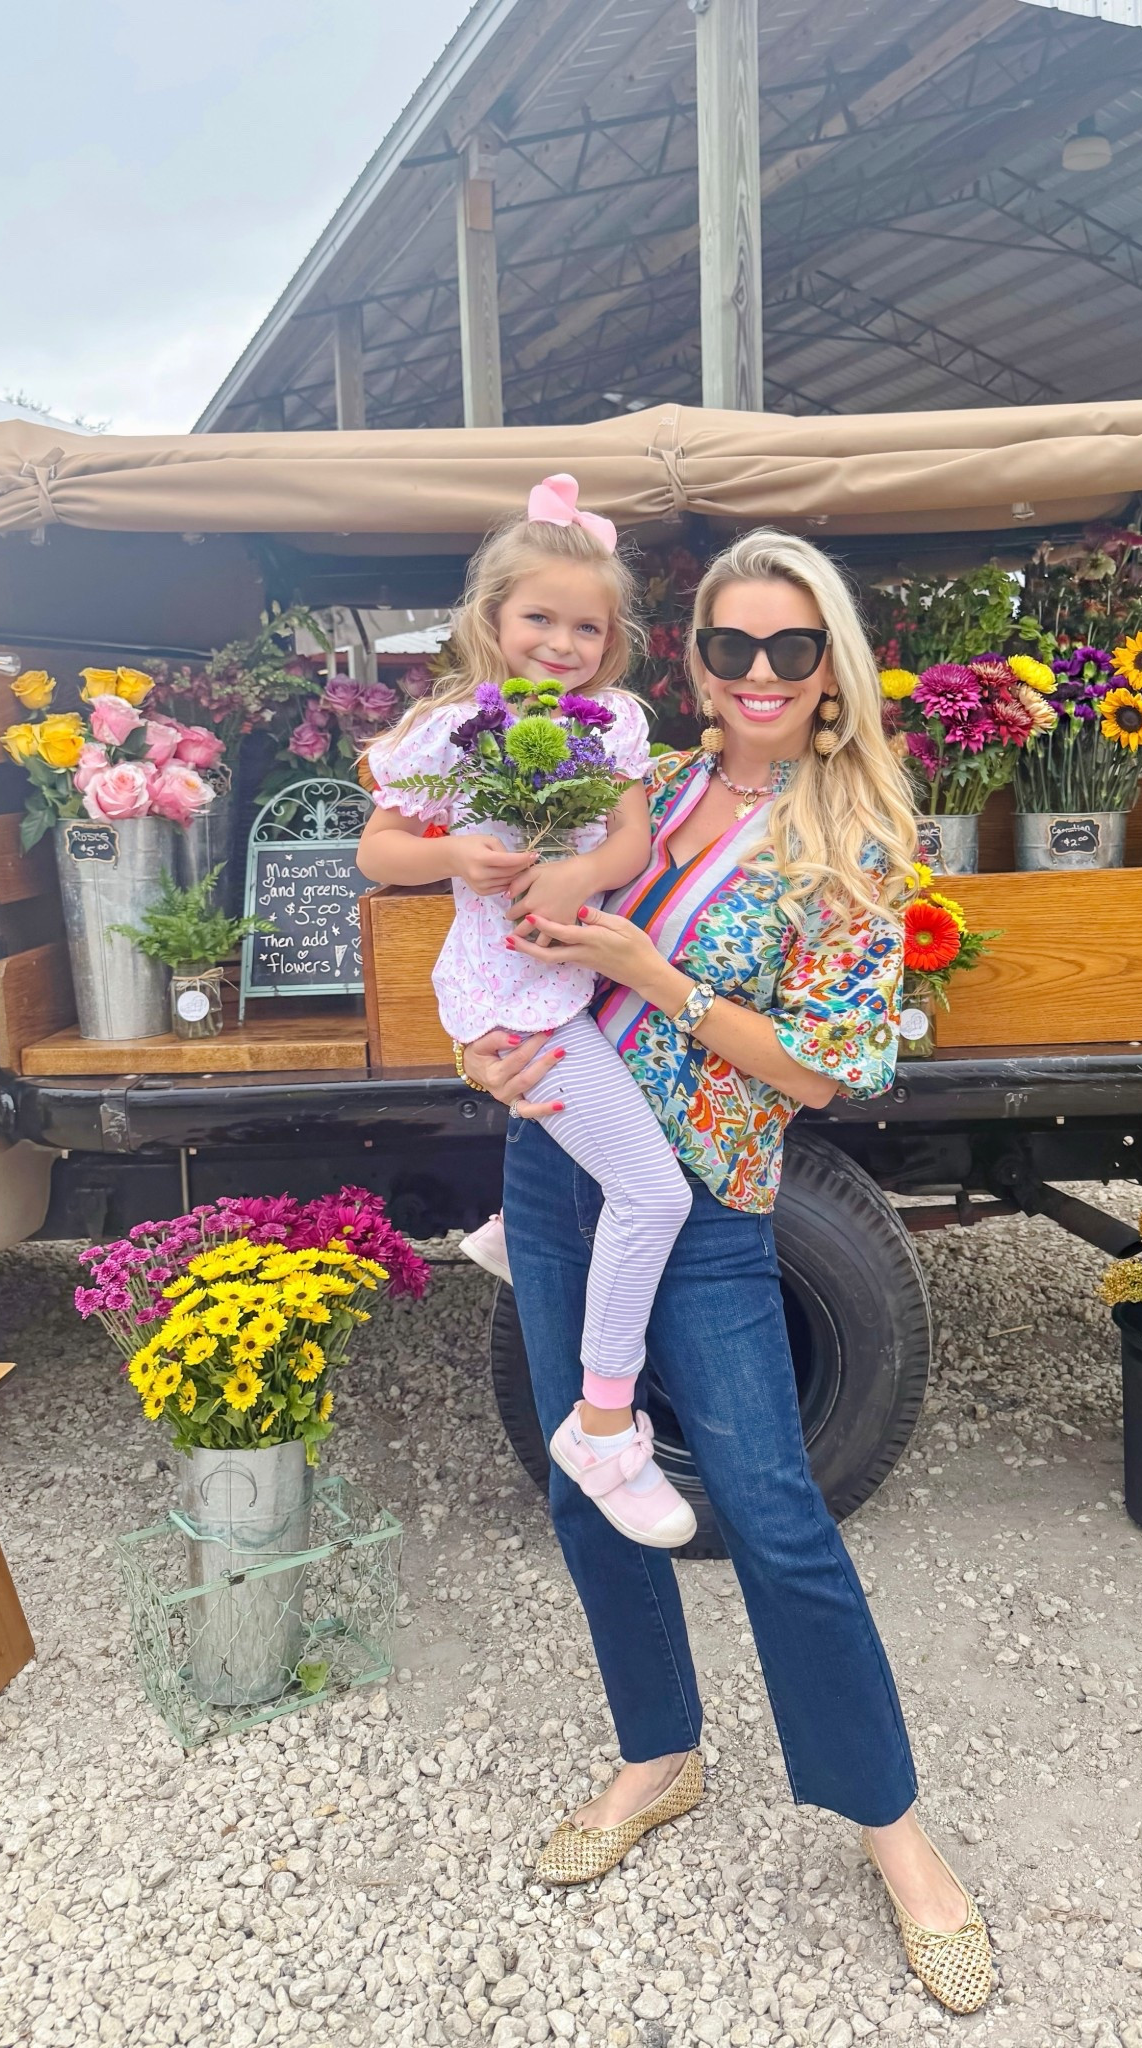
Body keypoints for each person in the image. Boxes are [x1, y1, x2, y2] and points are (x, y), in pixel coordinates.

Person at [457, 530, 995, 2016]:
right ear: (691, 663)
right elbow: (515, 947)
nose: (758, 675)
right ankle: (658, 1750)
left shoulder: (857, 837)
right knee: (584, 1475)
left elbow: (828, 1072)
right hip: (555, 1170)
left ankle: (893, 1833)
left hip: (700, 1204)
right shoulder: (650, 783)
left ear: (832, 672)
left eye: (790, 649)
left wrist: (655, 977)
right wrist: (483, 1051)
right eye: (731, 647)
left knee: (771, 1509)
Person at [356, 475, 697, 1548]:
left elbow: (632, 845)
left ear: (614, 640)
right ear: (492, 619)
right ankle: (602, 1423)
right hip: (509, 995)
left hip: (575, 976)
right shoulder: (451, 725)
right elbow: (375, 849)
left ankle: (519, 1232)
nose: (561, 642)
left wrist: (576, 869)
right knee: (653, 1197)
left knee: (629, 1122)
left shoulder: (617, 723)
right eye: (538, 617)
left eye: (585, 625)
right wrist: (450, 850)